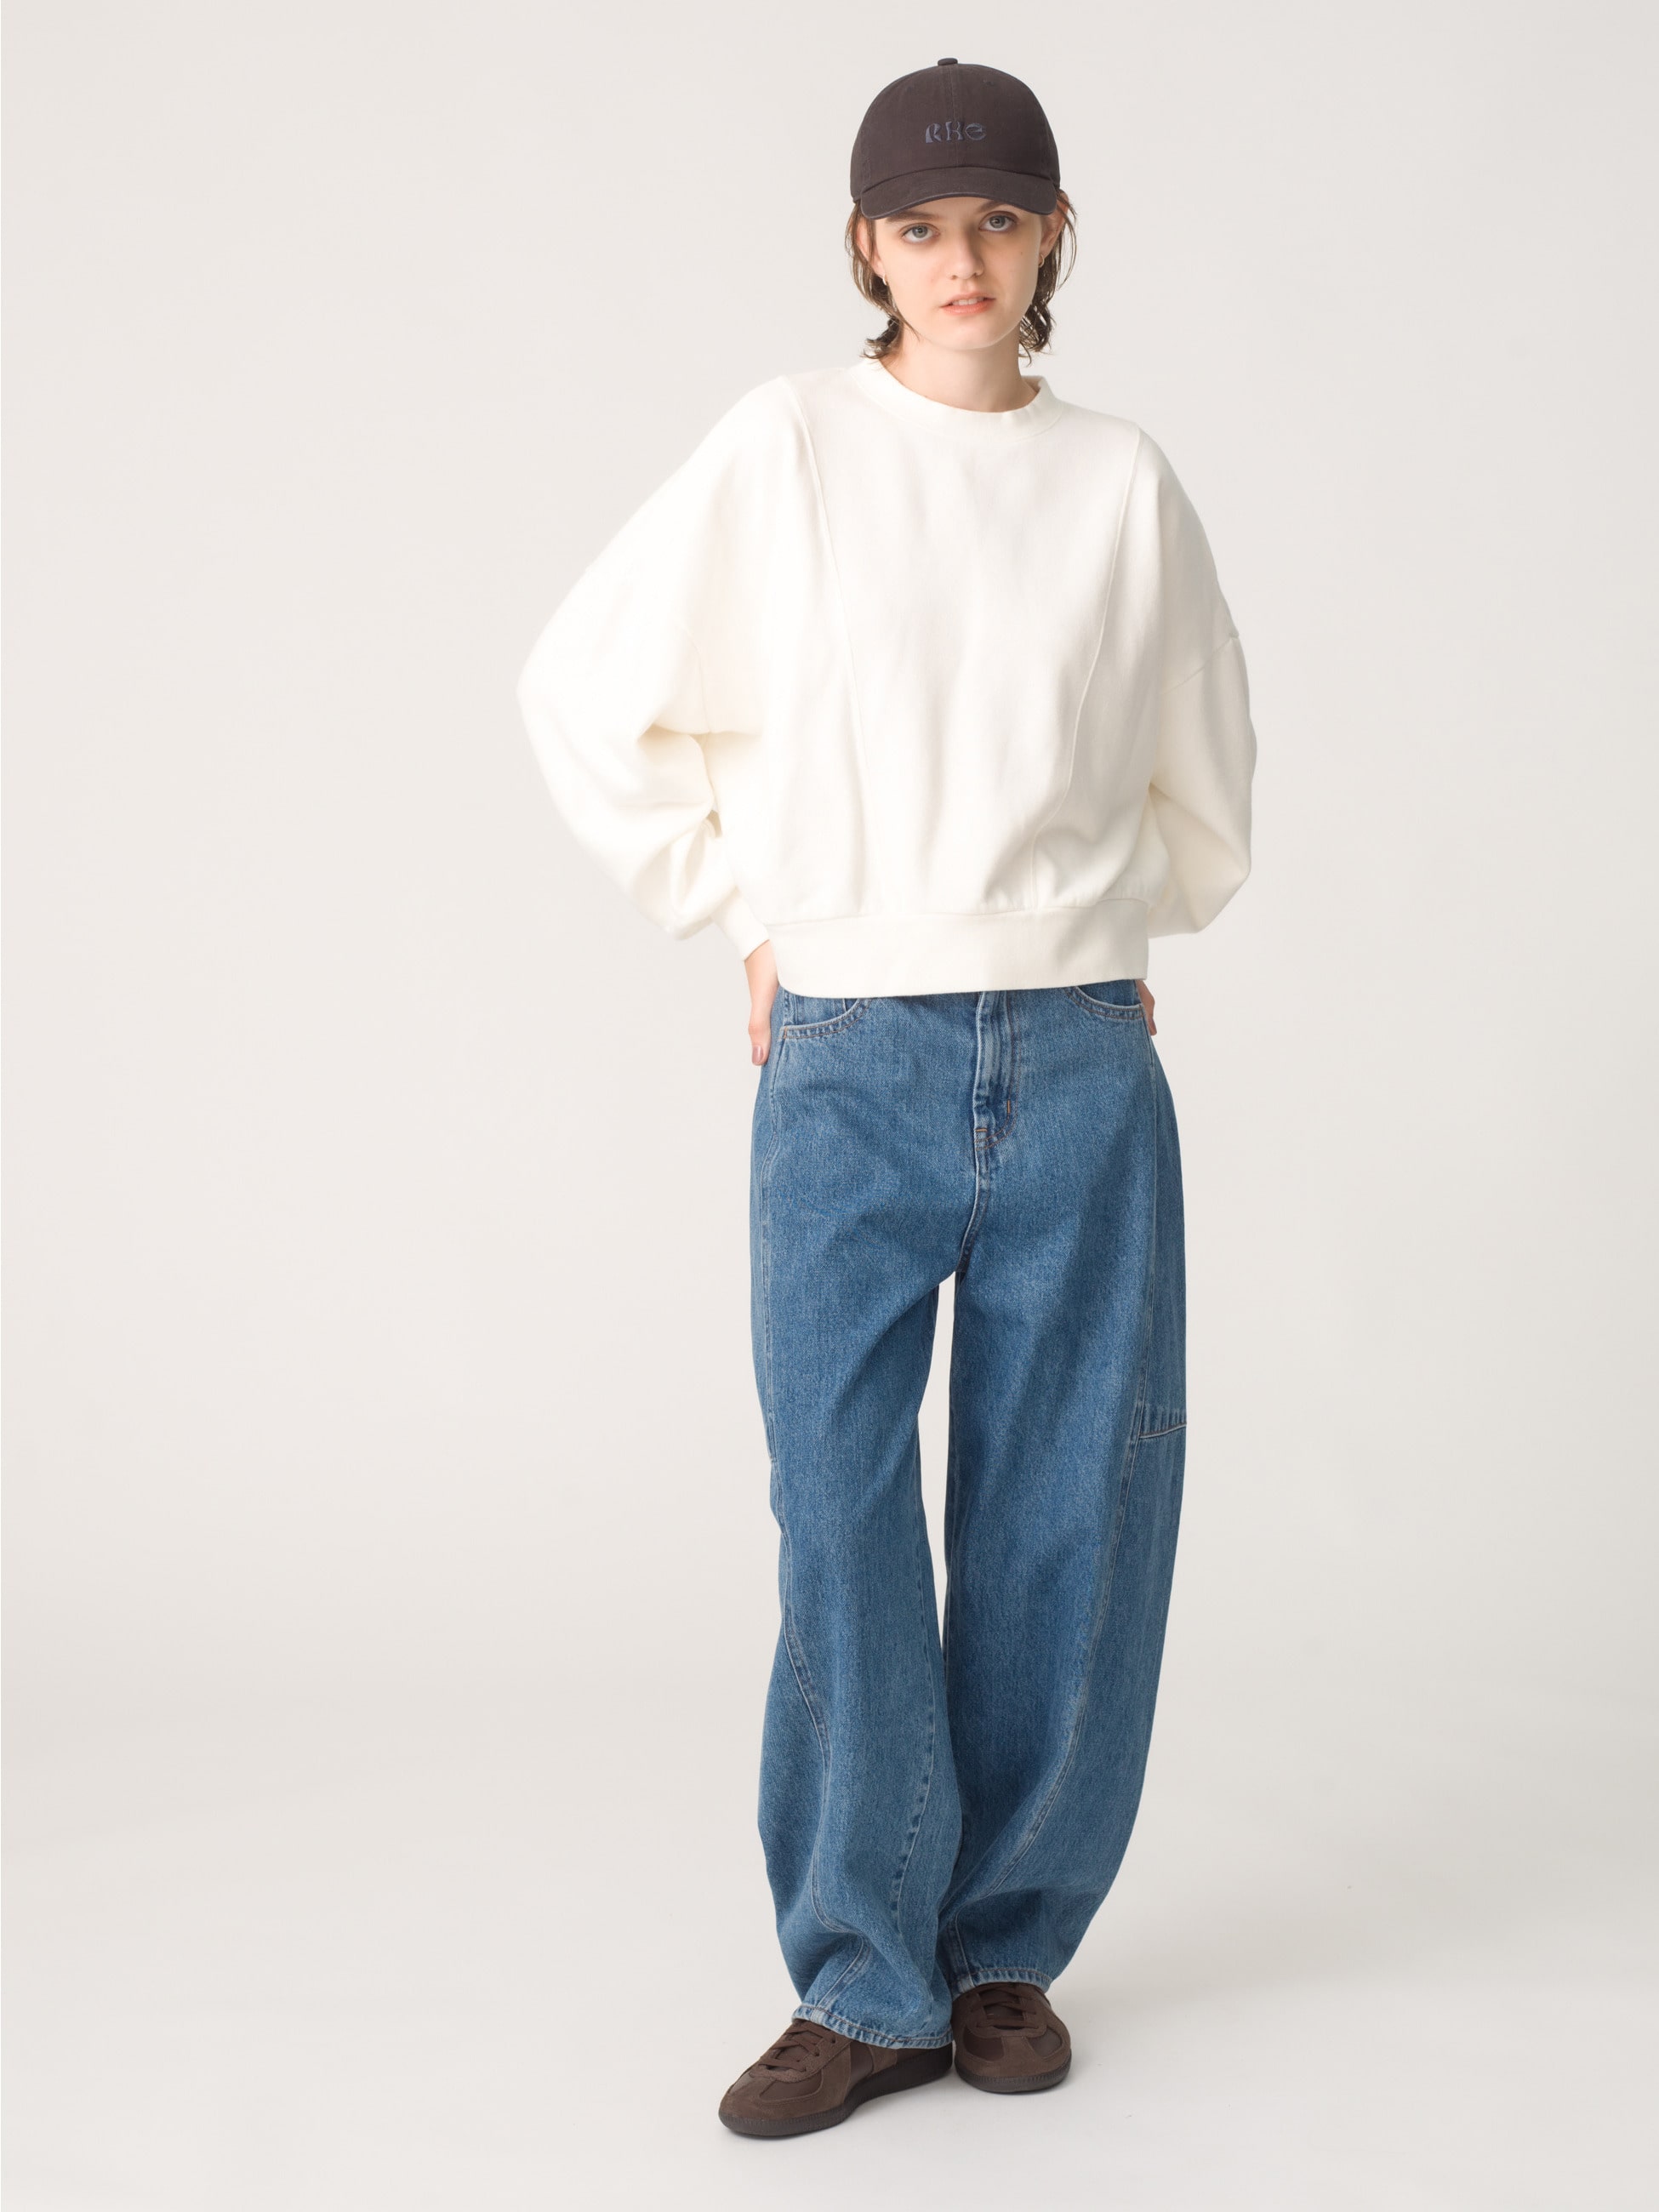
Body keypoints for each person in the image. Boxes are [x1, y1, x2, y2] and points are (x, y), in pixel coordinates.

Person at [516, 57, 1257, 2140]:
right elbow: (585, 689)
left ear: (1053, 239)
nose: (962, 259)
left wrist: (1097, 933)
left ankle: (1001, 1950)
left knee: (1069, 1508)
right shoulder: (788, 447)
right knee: (838, 1505)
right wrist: (743, 909)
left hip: (1078, 1050)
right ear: (865, 246)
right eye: (922, 226)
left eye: (1000, 219)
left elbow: (1206, 771)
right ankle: (864, 1970)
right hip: (849, 1051)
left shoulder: (1120, 483)